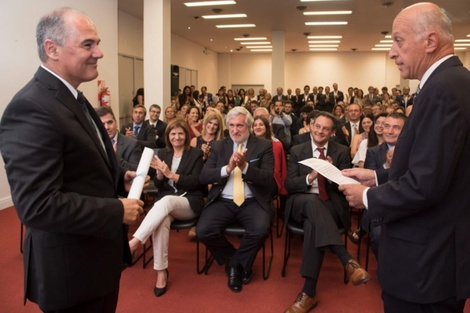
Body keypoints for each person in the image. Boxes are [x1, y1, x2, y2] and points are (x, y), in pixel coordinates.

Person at [0, 8, 144, 312]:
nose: (99, 53)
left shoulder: (73, 96)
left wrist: (119, 178)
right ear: (52, 49)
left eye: (98, 43)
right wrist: (115, 209)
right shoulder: (32, 108)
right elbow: (37, 205)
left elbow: (79, 164)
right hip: (71, 272)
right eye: (88, 44)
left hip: (96, 263)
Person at [340, 3, 470, 312]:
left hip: (426, 266)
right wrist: (377, 176)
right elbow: (439, 169)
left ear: (430, 41)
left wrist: (368, 197)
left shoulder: (443, 89)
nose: (391, 52)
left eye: (398, 40)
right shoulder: (453, 83)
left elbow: (426, 185)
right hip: (436, 259)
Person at [283, 112, 369, 313]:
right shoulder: (297, 150)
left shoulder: (340, 151)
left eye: (326, 129)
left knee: (313, 223)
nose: (320, 131)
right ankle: (345, 258)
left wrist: (332, 174)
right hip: (300, 201)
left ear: (332, 132)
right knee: (311, 203)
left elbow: (348, 185)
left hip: (329, 203)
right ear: (311, 125)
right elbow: (289, 185)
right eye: (317, 126)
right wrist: (311, 177)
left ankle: (309, 292)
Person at [196, 107, 277, 293]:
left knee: (261, 229)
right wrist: (228, 168)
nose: (235, 130)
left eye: (239, 125)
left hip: (252, 201)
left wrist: (245, 166)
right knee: (203, 231)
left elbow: (267, 179)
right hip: (223, 200)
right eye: (231, 125)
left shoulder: (263, 146)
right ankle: (237, 262)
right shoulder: (219, 146)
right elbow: (204, 176)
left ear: (248, 126)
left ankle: (234, 266)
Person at [128, 119, 205, 297]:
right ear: (168, 136)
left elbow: (196, 183)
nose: (176, 137)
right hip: (166, 204)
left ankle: (135, 242)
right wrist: (161, 176)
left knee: (166, 201)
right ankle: (161, 272)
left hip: (189, 202)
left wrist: (171, 174)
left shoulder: (195, 154)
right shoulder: (163, 152)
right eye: (173, 134)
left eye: (180, 133)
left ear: (186, 135)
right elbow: (159, 185)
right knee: (161, 218)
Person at [96, 106, 142, 171]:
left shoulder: (132, 144)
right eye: (102, 124)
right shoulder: (93, 143)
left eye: (110, 122)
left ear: (116, 123)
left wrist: (115, 158)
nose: (106, 127)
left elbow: (135, 171)